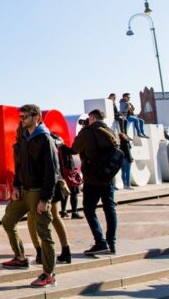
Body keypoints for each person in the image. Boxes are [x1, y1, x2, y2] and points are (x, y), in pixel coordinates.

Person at [0, 104, 59, 288]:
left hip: (37, 192)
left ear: (36, 117)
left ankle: (48, 274)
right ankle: (20, 257)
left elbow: (52, 172)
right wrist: (16, 186)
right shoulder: (24, 139)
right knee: (8, 221)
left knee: (44, 233)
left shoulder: (44, 139)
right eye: (21, 117)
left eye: (25, 116)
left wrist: (45, 199)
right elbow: (20, 167)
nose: (22, 119)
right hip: (23, 191)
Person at [72, 109, 121, 255]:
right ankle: (111, 243)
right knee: (110, 209)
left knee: (88, 209)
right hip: (109, 177)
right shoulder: (110, 132)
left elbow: (74, 149)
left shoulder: (87, 132)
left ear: (92, 118)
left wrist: (83, 131)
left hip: (93, 178)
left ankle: (100, 242)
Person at [27, 132, 73, 265]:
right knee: (55, 216)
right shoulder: (53, 137)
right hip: (54, 181)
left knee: (31, 217)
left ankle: (40, 252)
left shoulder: (34, 140)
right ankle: (66, 250)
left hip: (38, 184)